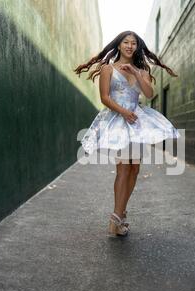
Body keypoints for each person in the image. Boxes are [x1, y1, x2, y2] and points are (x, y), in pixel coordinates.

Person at [74, 31, 180, 237]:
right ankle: (115, 218)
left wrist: (136, 72)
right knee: (123, 168)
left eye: (133, 43)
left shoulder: (142, 70)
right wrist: (123, 112)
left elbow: (149, 94)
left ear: (137, 47)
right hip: (118, 120)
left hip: (137, 121)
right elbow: (105, 98)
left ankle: (121, 214)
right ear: (119, 45)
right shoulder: (108, 69)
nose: (130, 46)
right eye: (126, 42)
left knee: (134, 169)